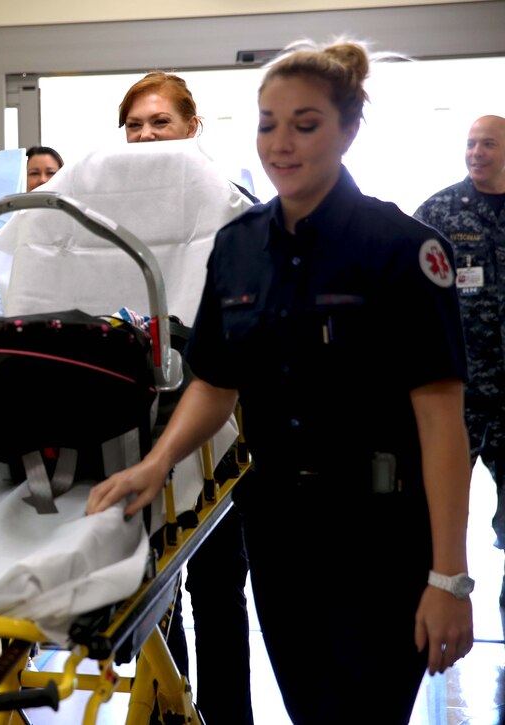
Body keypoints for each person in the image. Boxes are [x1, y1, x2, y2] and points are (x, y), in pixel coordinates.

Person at [90, 38, 475, 724]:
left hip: (380, 536)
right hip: (279, 533)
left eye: (306, 124)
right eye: (269, 123)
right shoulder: (238, 246)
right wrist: (155, 464)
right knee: (308, 708)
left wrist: (449, 575)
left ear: (349, 130)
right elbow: (215, 379)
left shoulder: (400, 249)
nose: (282, 143)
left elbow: (443, 421)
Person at [119, 69, 255, 725]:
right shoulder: (107, 208)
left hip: (215, 409)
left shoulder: (227, 205)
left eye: (160, 122)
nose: (146, 135)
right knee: (152, 582)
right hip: (136, 411)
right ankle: (169, 712)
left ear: (191, 127)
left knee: (217, 579)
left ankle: (229, 714)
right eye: (135, 124)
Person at [414, 114, 505, 611]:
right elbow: (403, 288)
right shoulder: (440, 212)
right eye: (470, 144)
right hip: (457, 392)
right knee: (439, 509)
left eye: (487, 144)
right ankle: (439, 598)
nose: (475, 153)